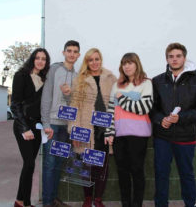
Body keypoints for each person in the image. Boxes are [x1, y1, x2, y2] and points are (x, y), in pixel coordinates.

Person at [150, 43, 196, 207]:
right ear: (166, 59)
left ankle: (190, 204)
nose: (174, 59)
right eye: (171, 56)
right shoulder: (157, 81)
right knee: (161, 174)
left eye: (178, 56)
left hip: (186, 137)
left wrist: (180, 118)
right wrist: (160, 119)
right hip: (162, 138)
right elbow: (152, 109)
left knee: (186, 174)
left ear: (184, 57)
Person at [68, 48, 117, 207]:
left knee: (102, 165)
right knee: (87, 165)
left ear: (101, 60)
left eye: (97, 59)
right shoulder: (79, 80)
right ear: (86, 62)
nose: (94, 62)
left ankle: (98, 199)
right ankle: (88, 198)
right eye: (91, 60)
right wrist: (74, 131)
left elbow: (117, 104)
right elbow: (73, 107)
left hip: (105, 129)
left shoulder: (111, 78)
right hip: (85, 128)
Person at [105, 53, 153, 207]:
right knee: (122, 172)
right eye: (124, 63)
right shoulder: (117, 85)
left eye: (130, 63)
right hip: (120, 136)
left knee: (137, 171)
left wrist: (123, 98)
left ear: (136, 64)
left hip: (139, 135)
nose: (127, 66)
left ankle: (137, 204)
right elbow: (110, 112)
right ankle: (126, 204)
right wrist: (109, 132)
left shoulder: (146, 83)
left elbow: (143, 108)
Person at [41, 40, 80, 207]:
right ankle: (47, 202)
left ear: (78, 55)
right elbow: (46, 96)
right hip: (52, 125)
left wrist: (69, 95)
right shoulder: (54, 69)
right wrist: (46, 123)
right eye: (69, 51)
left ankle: (54, 198)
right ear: (63, 52)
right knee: (49, 164)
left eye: (75, 51)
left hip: (66, 127)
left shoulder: (78, 76)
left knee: (58, 164)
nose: (71, 54)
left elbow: (75, 102)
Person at [11, 48, 51, 207]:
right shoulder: (21, 75)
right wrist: (24, 128)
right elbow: (15, 105)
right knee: (29, 163)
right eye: (37, 58)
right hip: (23, 125)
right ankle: (19, 201)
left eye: (44, 59)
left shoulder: (44, 79)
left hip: (37, 126)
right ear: (32, 59)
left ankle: (26, 202)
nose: (40, 61)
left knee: (31, 164)